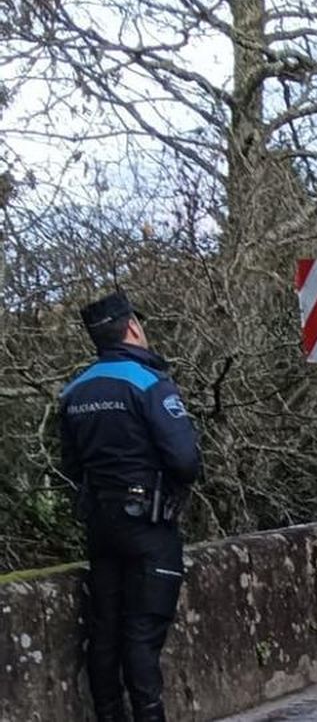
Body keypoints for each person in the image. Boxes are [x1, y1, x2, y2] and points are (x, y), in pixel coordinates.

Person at [60, 292, 202, 722]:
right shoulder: (147, 383)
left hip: (101, 524)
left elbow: (71, 465)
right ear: (134, 328)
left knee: (105, 634)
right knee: (141, 634)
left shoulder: (73, 391)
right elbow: (185, 460)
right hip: (148, 525)